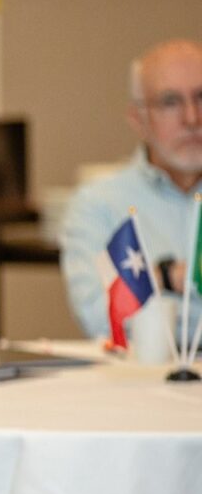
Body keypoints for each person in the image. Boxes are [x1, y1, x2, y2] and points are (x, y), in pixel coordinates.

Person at [61, 39, 202, 342]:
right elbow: (99, 318)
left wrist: (156, 291)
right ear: (138, 120)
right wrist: (167, 276)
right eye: (170, 102)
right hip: (143, 368)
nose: (192, 118)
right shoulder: (99, 203)